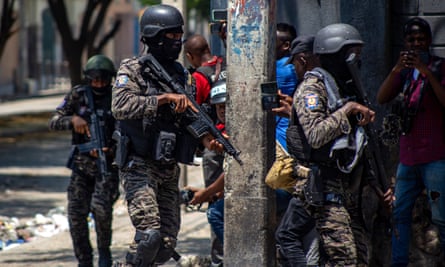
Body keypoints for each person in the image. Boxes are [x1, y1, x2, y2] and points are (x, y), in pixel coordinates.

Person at [110, 4, 224, 267]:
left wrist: (207, 140)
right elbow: (121, 106)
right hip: (138, 163)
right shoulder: (133, 69)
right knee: (149, 236)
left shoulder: (181, 74)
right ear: (155, 37)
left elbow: (187, 118)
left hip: (167, 167)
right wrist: (162, 98)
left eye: (179, 36)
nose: (177, 42)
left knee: (165, 245)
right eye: (171, 36)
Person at [290, 23, 377, 266]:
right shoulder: (312, 88)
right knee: (344, 258)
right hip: (324, 188)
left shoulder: (344, 89)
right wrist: (347, 111)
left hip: (350, 189)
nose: (356, 61)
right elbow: (316, 135)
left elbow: (360, 144)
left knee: (360, 257)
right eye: (351, 55)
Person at [376, 17, 445, 267]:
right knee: (399, 214)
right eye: (412, 40)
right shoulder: (404, 72)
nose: (417, 44)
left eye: (421, 40)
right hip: (408, 158)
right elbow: (382, 97)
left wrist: (426, 72)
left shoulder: (439, 67)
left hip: (435, 156)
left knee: (441, 217)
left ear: (429, 41)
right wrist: (397, 70)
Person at [48, 54, 120, 267]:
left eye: (103, 80)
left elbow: (129, 130)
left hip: (107, 167)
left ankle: (104, 254)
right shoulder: (78, 95)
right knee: (76, 215)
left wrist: (112, 148)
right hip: (81, 166)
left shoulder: (117, 97)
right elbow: (54, 121)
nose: (98, 84)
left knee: (101, 211)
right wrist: (72, 120)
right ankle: (84, 260)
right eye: (94, 79)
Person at [274, 35, 321, 267]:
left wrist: (294, 113)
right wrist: (292, 112)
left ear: (303, 59)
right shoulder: (324, 83)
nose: (294, 70)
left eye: (295, 64)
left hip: (315, 176)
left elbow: (315, 134)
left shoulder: (311, 87)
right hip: (315, 176)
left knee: (287, 235)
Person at [183, 34, 225, 267]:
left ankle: (220, 259)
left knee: (215, 199)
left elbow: (193, 113)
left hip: (216, 146)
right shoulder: (227, 64)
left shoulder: (199, 77)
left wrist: (205, 142)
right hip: (236, 139)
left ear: (190, 56)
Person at [275, 22, 298, 152]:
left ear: (286, 46)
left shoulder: (280, 68)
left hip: (280, 132)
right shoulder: (292, 64)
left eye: (273, 41)